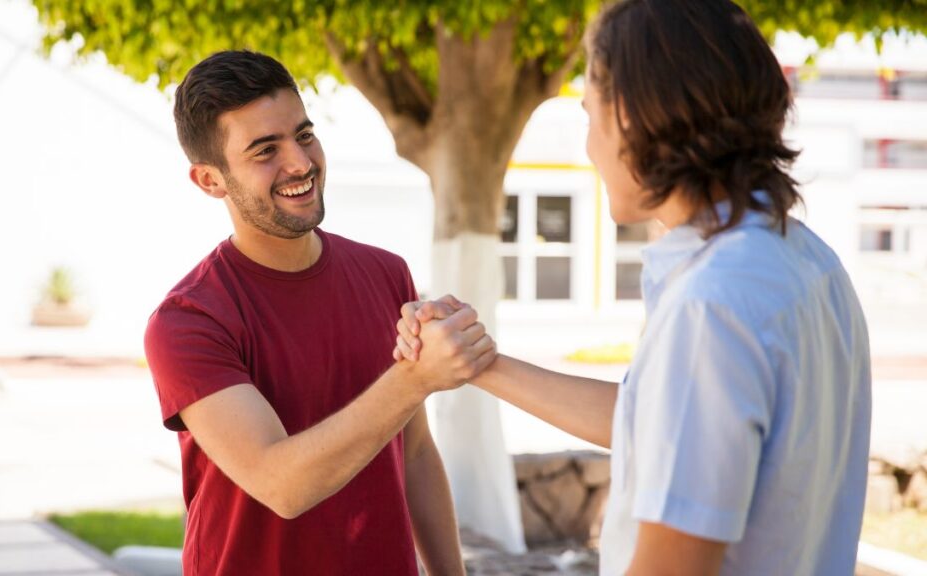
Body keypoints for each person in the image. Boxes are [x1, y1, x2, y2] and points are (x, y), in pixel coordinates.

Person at [395, 0, 872, 574]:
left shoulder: (712, 305)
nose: (589, 147)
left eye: (590, 115)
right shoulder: (808, 261)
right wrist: (480, 362)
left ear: (633, 117)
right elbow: (651, 420)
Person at [144, 49, 494, 575]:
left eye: (303, 135)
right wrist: (415, 379)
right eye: (265, 150)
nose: (300, 163)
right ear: (210, 180)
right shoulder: (189, 320)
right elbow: (282, 484)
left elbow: (415, 453)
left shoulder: (385, 274)